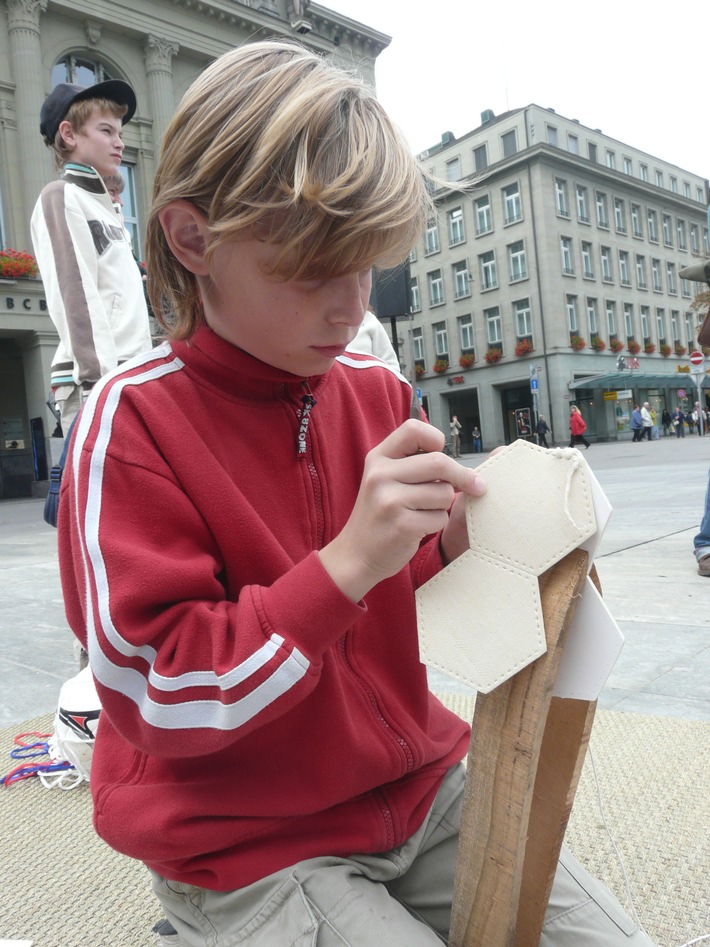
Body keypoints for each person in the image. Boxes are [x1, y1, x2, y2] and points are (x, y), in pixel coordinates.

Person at [58, 41, 655, 947]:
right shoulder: (130, 422)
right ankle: (201, 927)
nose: (348, 309)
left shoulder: (372, 390)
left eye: (367, 267)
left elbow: (407, 591)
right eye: (309, 270)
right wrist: (346, 562)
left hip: (418, 785)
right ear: (193, 240)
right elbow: (155, 689)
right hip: (247, 838)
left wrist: (464, 546)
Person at [31, 79, 152, 434]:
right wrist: (100, 384)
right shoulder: (62, 196)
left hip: (128, 374)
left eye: (120, 131)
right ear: (69, 135)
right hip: (97, 383)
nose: (120, 141)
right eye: (106, 130)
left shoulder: (108, 211)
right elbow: (75, 296)